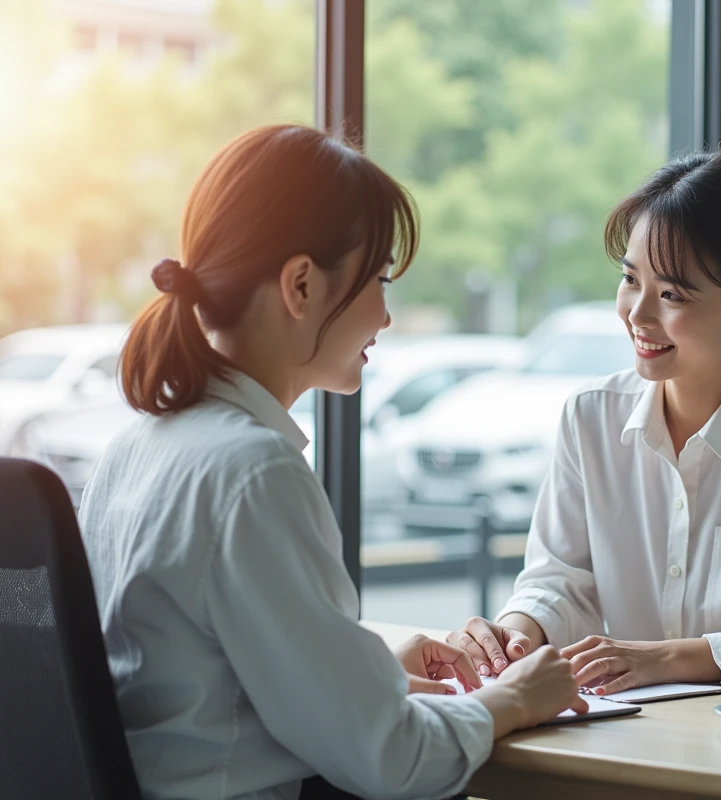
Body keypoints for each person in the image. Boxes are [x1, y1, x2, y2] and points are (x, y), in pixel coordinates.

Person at [78, 124, 587, 800]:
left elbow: (195, 690)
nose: (386, 315)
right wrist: (516, 698)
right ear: (300, 285)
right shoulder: (252, 474)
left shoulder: (136, 448)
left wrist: (364, 673)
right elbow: (393, 762)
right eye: (378, 279)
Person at [449, 150, 721, 693]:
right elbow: (561, 582)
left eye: (672, 294)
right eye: (631, 280)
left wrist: (666, 659)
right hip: (628, 733)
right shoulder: (591, 416)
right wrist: (512, 635)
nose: (637, 313)